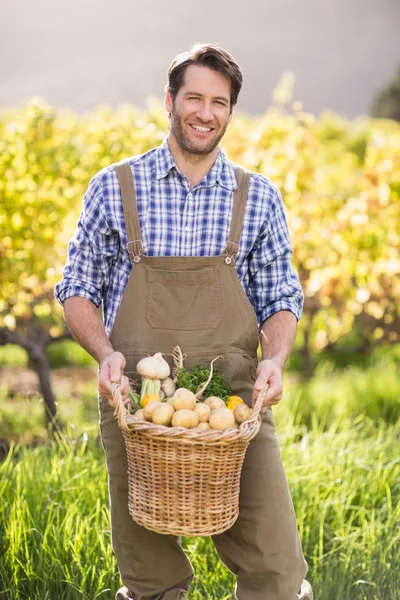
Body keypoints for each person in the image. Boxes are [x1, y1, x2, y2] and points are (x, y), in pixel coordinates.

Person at [55, 43, 313, 600]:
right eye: (194, 97)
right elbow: (77, 287)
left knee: (277, 570)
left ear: (230, 112)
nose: (205, 112)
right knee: (150, 579)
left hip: (237, 405)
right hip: (138, 405)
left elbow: (280, 297)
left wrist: (275, 360)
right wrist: (105, 355)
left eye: (219, 102)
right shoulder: (114, 187)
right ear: (170, 100)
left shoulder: (258, 197)